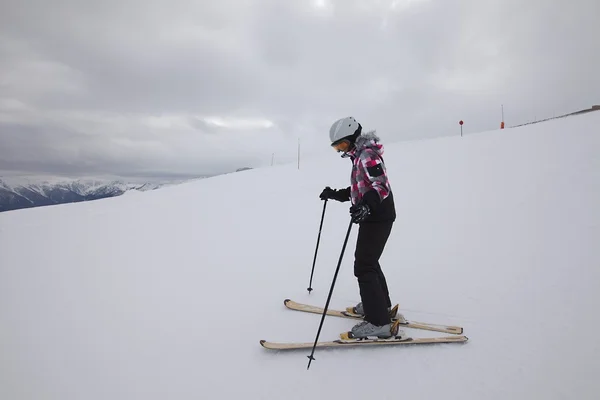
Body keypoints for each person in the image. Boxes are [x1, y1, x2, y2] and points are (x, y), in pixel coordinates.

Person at [319, 116, 400, 339]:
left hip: (378, 216)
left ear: (353, 138)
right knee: (369, 262)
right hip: (375, 216)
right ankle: (379, 307)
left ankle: (377, 322)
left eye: (342, 145)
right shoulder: (359, 156)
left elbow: (380, 186)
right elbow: (361, 189)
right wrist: (335, 195)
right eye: (337, 147)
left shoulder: (368, 156)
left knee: (363, 266)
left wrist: (366, 206)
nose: (339, 151)